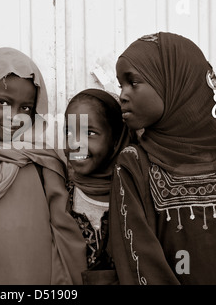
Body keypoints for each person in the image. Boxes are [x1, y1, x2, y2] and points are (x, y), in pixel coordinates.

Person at [109, 32, 216, 285]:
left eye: (133, 82)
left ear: (174, 83)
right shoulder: (134, 164)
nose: (123, 95)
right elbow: (140, 260)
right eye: (120, 85)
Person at [0, 47, 87, 285]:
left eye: (25, 108)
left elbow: (65, 236)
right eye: (2, 102)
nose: (14, 116)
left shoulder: (43, 163)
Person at [63, 88, 131, 285]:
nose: (75, 144)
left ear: (116, 140)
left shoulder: (134, 196)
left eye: (89, 133)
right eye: (69, 132)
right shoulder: (61, 197)